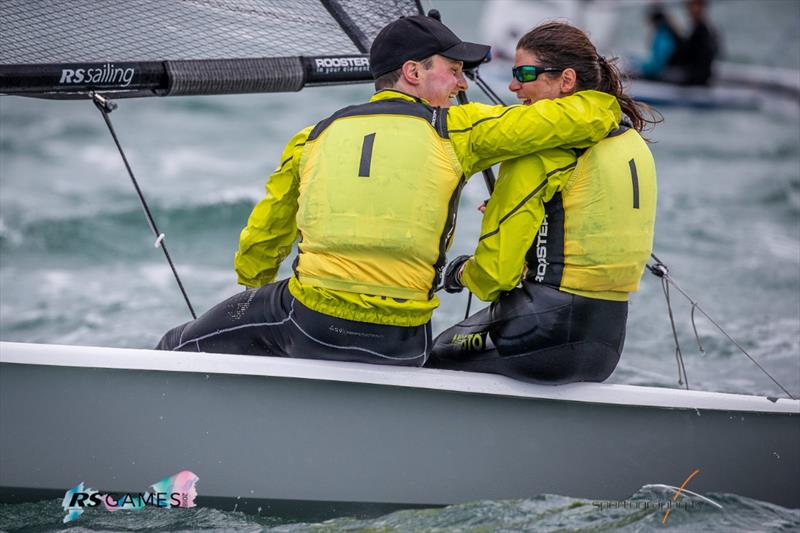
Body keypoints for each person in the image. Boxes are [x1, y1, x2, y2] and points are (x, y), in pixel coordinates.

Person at [156, 15, 622, 365]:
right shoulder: (461, 129)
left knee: (174, 346)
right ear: (413, 73)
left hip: (311, 325)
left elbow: (259, 248)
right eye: (454, 70)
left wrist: (257, 291)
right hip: (402, 339)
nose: (463, 83)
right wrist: (602, 94)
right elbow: (588, 115)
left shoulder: (313, 136)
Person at [426, 22, 658, 384]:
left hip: (543, 329)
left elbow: (494, 276)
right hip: (607, 341)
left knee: (432, 358)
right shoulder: (629, 139)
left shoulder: (541, 149)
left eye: (525, 73)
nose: (513, 85)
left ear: (566, 80)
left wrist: (459, 273)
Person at [673, 0, 719, 85]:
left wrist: (675, 33)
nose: (693, 9)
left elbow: (686, 54)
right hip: (695, 74)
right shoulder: (697, 28)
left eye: (697, 5)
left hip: (696, 78)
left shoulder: (703, 30)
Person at [637, 6, 682, 81]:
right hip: (667, 71)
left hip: (666, 73)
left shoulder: (664, 37)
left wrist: (640, 68)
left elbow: (658, 65)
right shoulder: (666, 33)